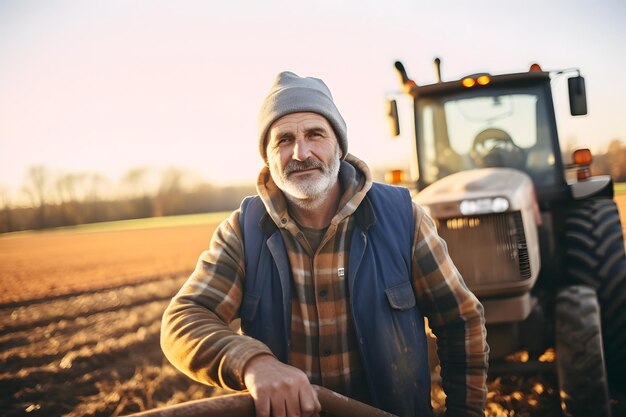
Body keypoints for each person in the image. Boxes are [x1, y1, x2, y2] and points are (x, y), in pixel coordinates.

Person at [161, 71, 489, 417]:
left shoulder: (403, 219)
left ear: (339, 145)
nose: (301, 153)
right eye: (284, 140)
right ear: (268, 158)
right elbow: (183, 320)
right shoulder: (244, 232)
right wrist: (253, 363)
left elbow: (460, 319)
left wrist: (466, 412)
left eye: (315, 134)